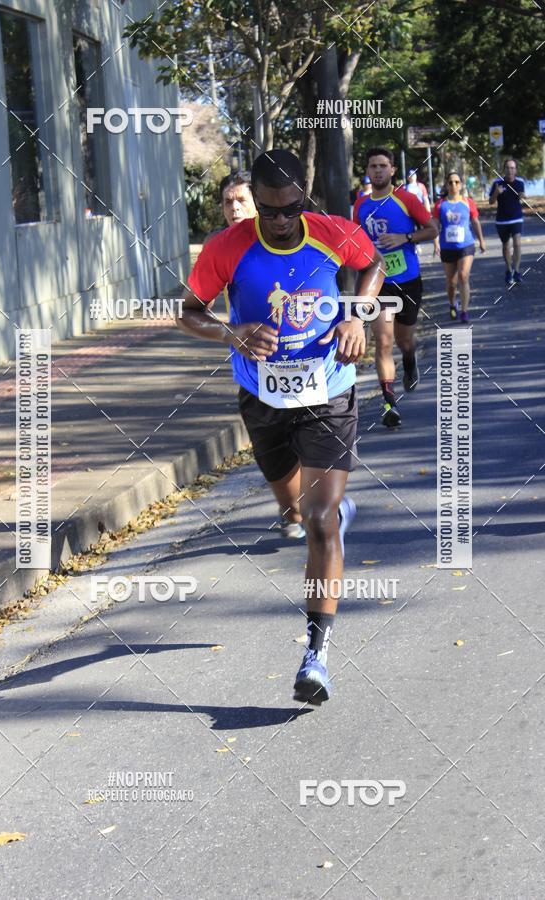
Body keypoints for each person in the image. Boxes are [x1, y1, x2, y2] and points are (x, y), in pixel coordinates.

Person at [178, 149, 384, 705]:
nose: (278, 221)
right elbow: (189, 311)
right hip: (262, 395)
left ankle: (315, 654)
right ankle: (310, 510)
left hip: (328, 388)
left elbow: (372, 266)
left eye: (288, 210)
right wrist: (232, 332)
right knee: (293, 511)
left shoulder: (333, 231)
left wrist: (355, 315)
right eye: (267, 211)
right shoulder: (228, 246)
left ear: (303, 201)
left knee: (319, 522)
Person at [353, 147, 438, 427]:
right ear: (367, 171)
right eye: (373, 166)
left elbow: (433, 229)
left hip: (408, 280)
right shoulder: (360, 205)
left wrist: (406, 237)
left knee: (404, 341)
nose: (378, 170)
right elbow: (356, 239)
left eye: (383, 165)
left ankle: (411, 359)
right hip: (378, 283)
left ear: (392, 170)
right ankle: (389, 402)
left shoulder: (406, 199)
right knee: (384, 341)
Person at [433, 172, 486, 323]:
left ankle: (464, 311)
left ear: (461, 184)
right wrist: (435, 243)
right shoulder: (440, 205)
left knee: (463, 276)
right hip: (447, 247)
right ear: (446, 184)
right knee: (451, 282)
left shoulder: (468, 202)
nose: (454, 185)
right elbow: (435, 226)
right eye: (450, 182)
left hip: (466, 245)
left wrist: (481, 240)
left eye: (457, 182)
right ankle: (452, 304)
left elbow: (475, 222)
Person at [489, 158, 525, 285]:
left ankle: (516, 271)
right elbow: (491, 202)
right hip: (502, 220)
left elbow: (522, 196)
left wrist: (522, 196)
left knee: (517, 243)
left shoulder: (520, 182)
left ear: (516, 170)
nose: (510, 170)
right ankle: (508, 271)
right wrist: (496, 193)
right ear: (504, 169)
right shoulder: (497, 183)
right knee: (506, 246)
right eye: (508, 168)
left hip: (516, 218)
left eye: (513, 168)